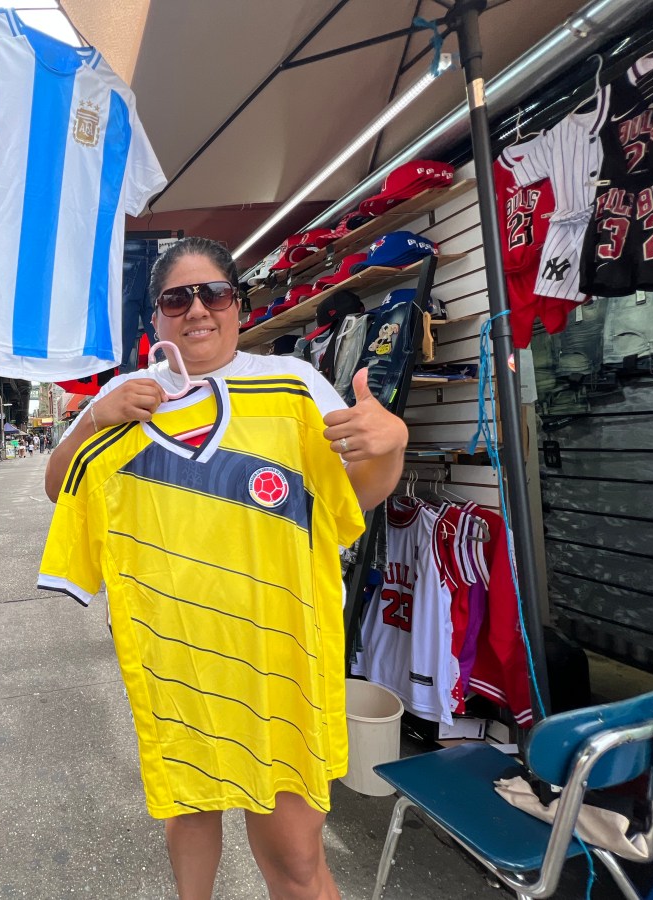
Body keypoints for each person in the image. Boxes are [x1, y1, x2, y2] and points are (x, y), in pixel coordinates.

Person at [43, 237, 407, 900]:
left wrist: (392, 446)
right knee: (190, 810)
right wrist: (92, 418)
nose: (197, 310)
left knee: (297, 861)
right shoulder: (129, 395)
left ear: (238, 305)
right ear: (155, 317)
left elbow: (354, 494)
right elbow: (59, 487)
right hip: (174, 659)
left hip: (280, 661)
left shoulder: (293, 385)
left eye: (213, 292)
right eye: (177, 298)